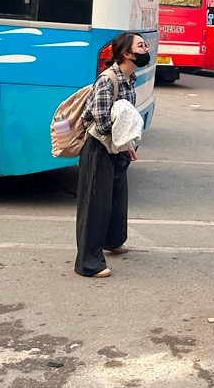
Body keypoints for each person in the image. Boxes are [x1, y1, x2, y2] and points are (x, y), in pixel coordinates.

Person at [74, 32, 148, 278]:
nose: (146, 49)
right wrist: (125, 141)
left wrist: (127, 144)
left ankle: (112, 240)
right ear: (127, 53)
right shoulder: (108, 80)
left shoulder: (130, 78)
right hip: (99, 148)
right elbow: (101, 120)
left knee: (116, 197)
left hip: (117, 148)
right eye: (141, 46)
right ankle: (88, 263)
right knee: (96, 204)